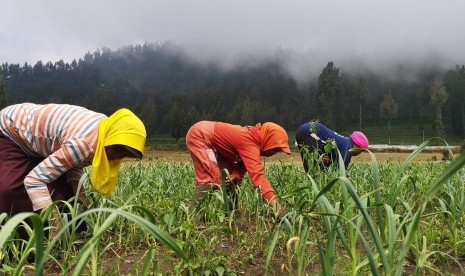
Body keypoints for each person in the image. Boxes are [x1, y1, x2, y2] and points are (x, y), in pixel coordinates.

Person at [0, 103, 146, 230]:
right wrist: (54, 222)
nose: (117, 156)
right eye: (118, 149)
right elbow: (34, 180)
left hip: (37, 141)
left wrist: (80, 194)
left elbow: (73, 163)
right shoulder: (85, 143)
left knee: (62, 190)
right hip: (10, 130)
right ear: (112, 136)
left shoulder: (105, 131)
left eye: (124, 154)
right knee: (11, 190)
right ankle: (22, 242)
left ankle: (69, 231)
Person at [186, 121, 291, 216]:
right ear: (269, 140)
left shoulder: (253, 140)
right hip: (201, 136)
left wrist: (236, 175)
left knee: (231, 180)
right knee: (210, 177)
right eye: (276, 149)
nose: (274, 153)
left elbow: (241, 166)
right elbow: (258, 177)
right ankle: (194, 217)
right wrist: (276, 206)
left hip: (217, 145)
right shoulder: (249, 141)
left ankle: (231, 214)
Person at [295, 121, 368, 173]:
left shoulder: (345, 142)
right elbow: (341, 172)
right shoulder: (348, 149)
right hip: (308, 133)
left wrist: (330, 162)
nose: (359, 154)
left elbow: (332, 161)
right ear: (356, 145)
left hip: (303, 131)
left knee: (314, 166)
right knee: (315, 170)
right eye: (360, 151)